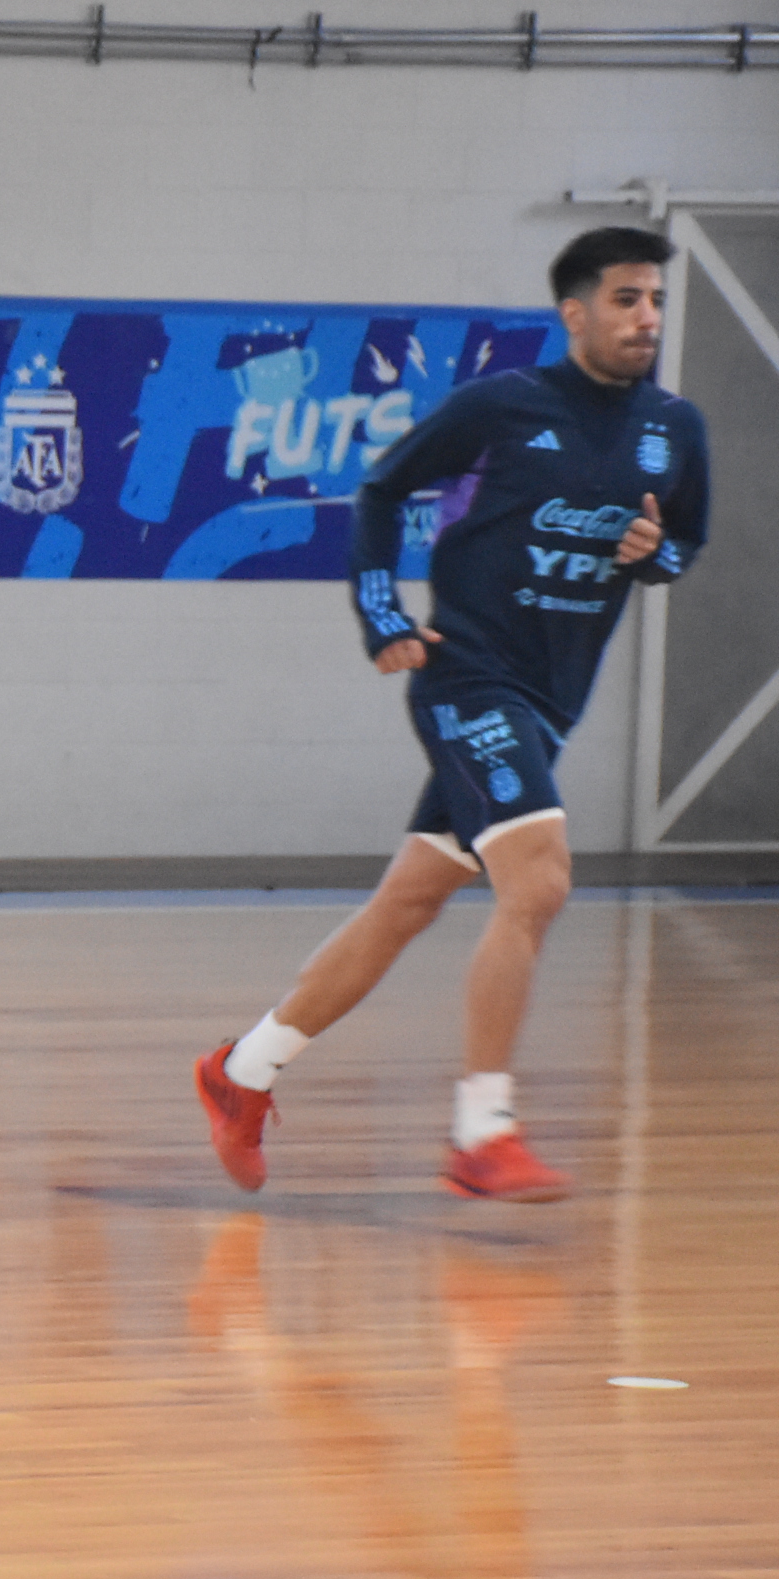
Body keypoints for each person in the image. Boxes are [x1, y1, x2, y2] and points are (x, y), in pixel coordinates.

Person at [196, 226, 708, 1202]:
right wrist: (383, 614)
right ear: (574, 313)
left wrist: (653, 554)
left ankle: (240, 1071)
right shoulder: (501, 407)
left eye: (654, 300)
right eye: (626, 300)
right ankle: (481, 1129)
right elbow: (383, 488)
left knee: (407, 903)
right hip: (468, 679)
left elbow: (684, 543)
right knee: (540, 881)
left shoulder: (675, 427)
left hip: (551, 700)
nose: (646, 317)